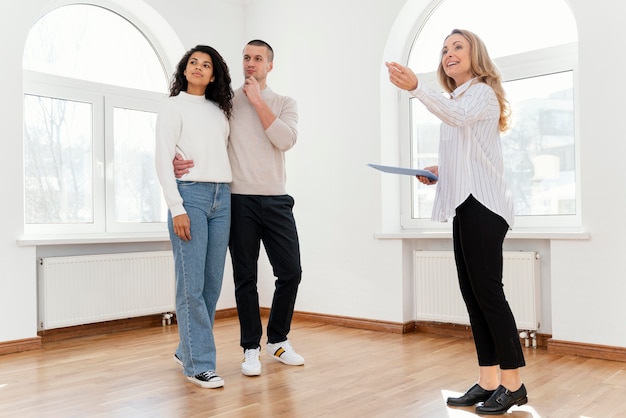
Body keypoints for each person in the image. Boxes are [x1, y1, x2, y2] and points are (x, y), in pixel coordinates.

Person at [386, 29, 527, 415]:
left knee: (489, 295)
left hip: (485, 205)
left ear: (474, 54)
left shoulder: (480, 91)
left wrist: (417, 88)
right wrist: (439, 170)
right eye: (445, 49)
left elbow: (459, 116)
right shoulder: (457, 98)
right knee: (474, 297)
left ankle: (514, 385)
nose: (449, 53)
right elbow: (468, 154)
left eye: (457, 47)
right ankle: (488, 381)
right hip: (467, 204)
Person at [174, 39, 304, 377]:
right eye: (246, 57)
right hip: (238, 200)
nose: (250, 63)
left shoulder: (284, 102)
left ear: (269, 66)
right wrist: (179, 157)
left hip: (277, 198)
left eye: (258, 59)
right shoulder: (225, 102)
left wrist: (258, 101)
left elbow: (285, 140)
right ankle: (250, 348)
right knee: (245, 277)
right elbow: (207, 138)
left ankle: (278, 339)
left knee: (290, 272)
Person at [155, 44, 233, 389]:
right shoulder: (172, 107)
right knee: (191, 287)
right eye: (193, 63)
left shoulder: (220, 111)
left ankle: (186, 347)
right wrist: (177, 208)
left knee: (212, 283)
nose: (198, 67)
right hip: (190, 196)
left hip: (223, 197)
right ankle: (198, 364)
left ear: (214, 74)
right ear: (184, 70)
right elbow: (161, 159)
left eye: (206, 64)